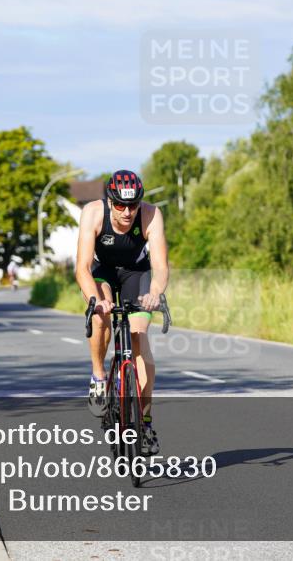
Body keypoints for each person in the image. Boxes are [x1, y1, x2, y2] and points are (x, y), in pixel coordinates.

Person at [75, 169, 169, 455]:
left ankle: (145, 423)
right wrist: (95, 299)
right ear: (109, 201)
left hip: (136, 273)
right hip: (102, 272)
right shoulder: (93, 213)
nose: (127, 212)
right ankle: (98, 376)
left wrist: (154, 293)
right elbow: (82, 268)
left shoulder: (151, 214)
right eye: (120, 205)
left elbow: (160, 266)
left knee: (139, 337)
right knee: (101, 314)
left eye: (133, 205)